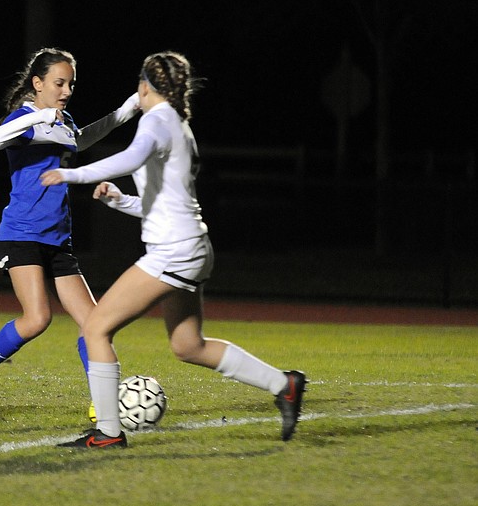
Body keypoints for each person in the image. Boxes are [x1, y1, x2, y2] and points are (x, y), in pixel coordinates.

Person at [41, 51, 306, 448]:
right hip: (192, 246)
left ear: (145, 85)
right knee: (188, 346)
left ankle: (108, 434)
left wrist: (70, 173)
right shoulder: (176, 124)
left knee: (96, 327)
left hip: (174, 252)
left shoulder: (158, 120)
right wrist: (121, 202)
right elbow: (166, 202)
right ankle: (284, 385)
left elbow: (131, 157)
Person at [0, 47, 140, 419]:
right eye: (59, 83)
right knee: (37, 318)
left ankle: (103, 403)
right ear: (37, 83)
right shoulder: (25, 118)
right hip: (21, 234)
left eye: (71, 83)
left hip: (58, 238)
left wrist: (126, 111)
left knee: (95, 323)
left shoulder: (61, 121)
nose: (66, 90)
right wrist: (38, 116)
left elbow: (82, 138)